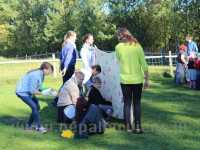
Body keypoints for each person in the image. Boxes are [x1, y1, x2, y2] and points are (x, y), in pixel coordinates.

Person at [115, 27, 149, 134]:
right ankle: (138, 127)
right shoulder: (137, 46)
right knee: (137, 103)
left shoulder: (118, 47)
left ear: (121, 36)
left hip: (124, 80)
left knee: (127, 103)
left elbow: (118, 61)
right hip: (137, 80)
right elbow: (143, 64)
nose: (117, 37)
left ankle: (128, 127)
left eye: (117, 35)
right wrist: (147, 79)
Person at [16, 62, 54, 133]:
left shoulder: (41, 74)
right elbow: (32, 91)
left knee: (37, 107)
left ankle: (28, 126)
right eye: (50, 71)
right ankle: (39, 127)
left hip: (28, 92)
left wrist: (49, 90)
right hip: (22, 92)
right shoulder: (36, 75)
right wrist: (44, 93)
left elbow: (40, 87)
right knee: (34, 107)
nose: (50, 73)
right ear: (45, 69)